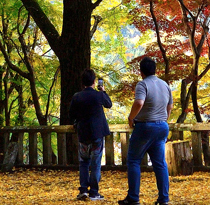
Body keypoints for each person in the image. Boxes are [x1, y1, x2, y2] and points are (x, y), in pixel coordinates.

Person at [120, 57, 172, 205]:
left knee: (134, 160)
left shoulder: (142, 84)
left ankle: (133, 198)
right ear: (155, 69)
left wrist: (131, 117)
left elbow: (139, 102)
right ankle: (164, 199)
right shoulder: (165, 85)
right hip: (162, 127)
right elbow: (170, 107)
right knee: (160, 163)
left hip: (145, 127)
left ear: (141, 71)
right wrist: (164, 119)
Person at [68, 69, 113, 201]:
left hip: (83, 133)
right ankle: (94, 192)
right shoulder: (98, 95)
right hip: (97, 134)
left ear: (82, 83)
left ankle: (83, 190)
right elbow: (109, 104)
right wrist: (103, 91)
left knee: (83, 162)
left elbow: (71, 115)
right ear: (94, 82)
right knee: (95, 163)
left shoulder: (77, 96)